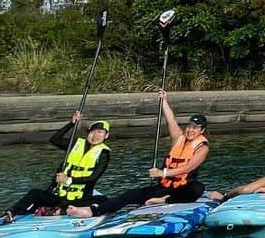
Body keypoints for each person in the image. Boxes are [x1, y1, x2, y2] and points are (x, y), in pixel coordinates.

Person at [67, 92, 209, 216]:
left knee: (198, 188)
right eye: (190, 126)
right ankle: (93, 211)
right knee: (129, 195)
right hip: (164, 187)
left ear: (201, 131)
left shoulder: (202, 148)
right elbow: (170, 120)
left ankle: (163, 201)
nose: (191, 130)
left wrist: (162, 173)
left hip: (181, 191)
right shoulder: (178, 138)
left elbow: (188, 168)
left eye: (195, 128)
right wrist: (164, 101)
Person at [0, 113, 111, 222]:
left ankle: (60, 210)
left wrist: (68, 180)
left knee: (103, 200)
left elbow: (93, 177)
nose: (95, 135)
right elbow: (54, 139)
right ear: (88, 133)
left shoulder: (104, 153)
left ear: (106, 136)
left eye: (100, 132)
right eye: (93, 132)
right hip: (60, 197)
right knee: (35, 193)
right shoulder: (76, 144)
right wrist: (71, 124)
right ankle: (11, 213)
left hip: (79, 199)